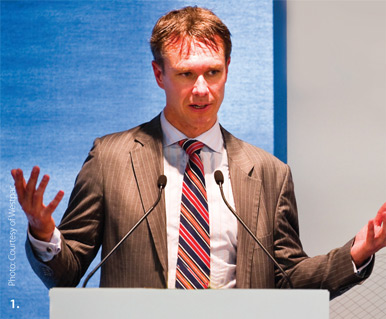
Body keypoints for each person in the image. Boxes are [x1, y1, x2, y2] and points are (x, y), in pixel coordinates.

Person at [11, 6, 386, 296]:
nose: (202, 89)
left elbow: (288, 276)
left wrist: (356, 252)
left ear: (228, 70)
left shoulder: (269, 172)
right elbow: (69, 270)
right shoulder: (110, 158)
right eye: (186, 74)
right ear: (160, 75)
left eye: (213, 72)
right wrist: (44, 233)